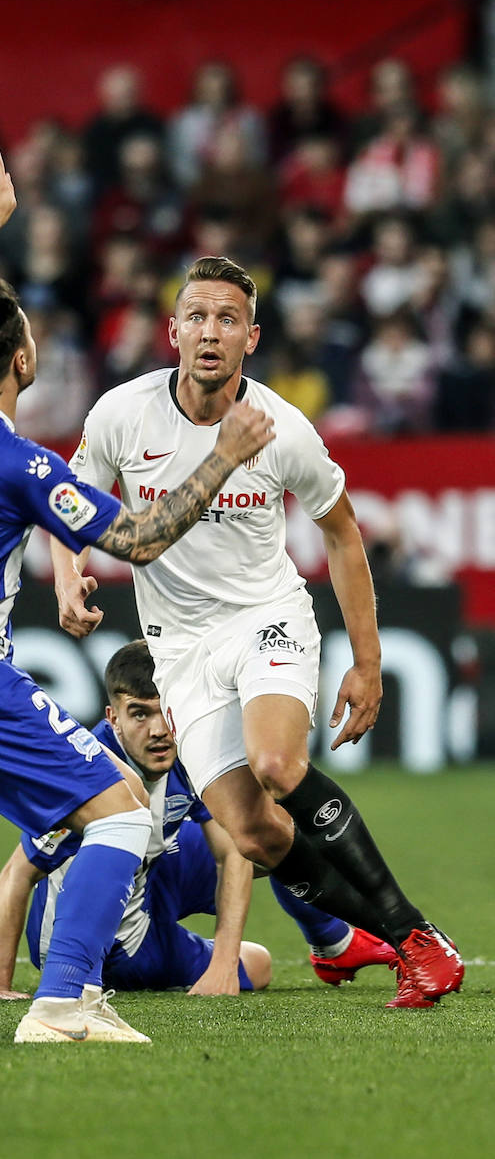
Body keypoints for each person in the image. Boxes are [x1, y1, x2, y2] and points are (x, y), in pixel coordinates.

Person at [0, 143, 274, 1045]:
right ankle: (61, 1000)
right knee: (127, 811)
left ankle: (67, 989)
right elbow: (134, 537)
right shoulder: (17, 462)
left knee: (87, 816)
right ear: (23, 358)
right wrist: (223, 457)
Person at [51, 254, 464, 1011]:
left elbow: (343, 536)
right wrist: (66, 567)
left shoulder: (283, 431)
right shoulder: (120, 414)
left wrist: (365, 663)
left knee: (276, 763)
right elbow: (68, 503)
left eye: (227, 320)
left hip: (264, 618)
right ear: (172, 330)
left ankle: (412, 936)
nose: (210, 333)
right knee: (256, 836)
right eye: (197, 317)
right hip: (178, 650)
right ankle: (406, 942)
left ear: (251, 336)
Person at [0, 642, 396, 1000]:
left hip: (154, 873)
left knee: (274, 828)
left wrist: (223, 959)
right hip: (120, 941)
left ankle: (335, 945)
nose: (158, 730)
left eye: (165, 713)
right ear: (113, 719)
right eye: (139, 714)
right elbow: (17, 874)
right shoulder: (86, 775)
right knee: (260, 964)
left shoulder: (184, 748)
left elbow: (232, 849)